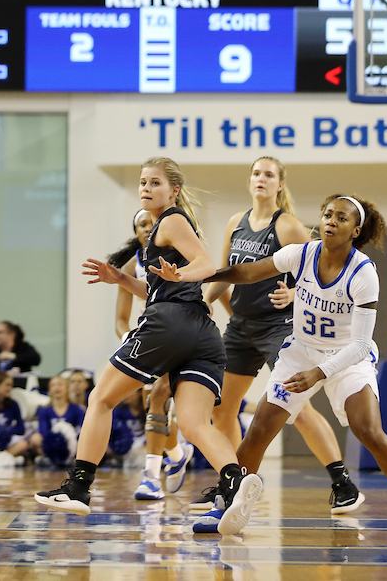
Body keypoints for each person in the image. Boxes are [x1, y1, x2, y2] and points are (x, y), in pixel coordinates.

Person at [192, 195, 387, 537]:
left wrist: (319, 373)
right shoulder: (302, 253)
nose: (330, 221)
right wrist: (203, 275)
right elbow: (248, 271)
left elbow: (360, 345)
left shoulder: (363, 273)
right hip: (302, 350)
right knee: (259, 431)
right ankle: (224, 503)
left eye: (340, 218)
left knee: (368, 430)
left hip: (347, 357)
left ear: (355, 230)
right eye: (327, 214)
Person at [36, 157, 263, 538]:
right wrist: (121, 278)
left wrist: (182, 274)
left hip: (169, 324)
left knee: (101, 399)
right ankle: (233, 482)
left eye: (154, 182)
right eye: (142, 182)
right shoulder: (162, 230)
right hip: (201, 333)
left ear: (173, 190)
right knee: (193, 423)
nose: (145, 188)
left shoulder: (172, 220)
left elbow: (205, 264)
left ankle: (77, 487)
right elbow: (161, 287)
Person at [193, 156, 360, 515]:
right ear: (249, 180)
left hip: (279, 328)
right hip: (241, 326)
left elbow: (323, 277)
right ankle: (234, 482)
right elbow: (228, 272)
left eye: (269, 174)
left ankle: (342, 482)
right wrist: (203, 302)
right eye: (256, 173)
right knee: (223, 409)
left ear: (280, 184)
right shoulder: (235, 222)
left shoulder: (286, 226)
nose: (261, 179)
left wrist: (296, 295)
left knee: (296, 409)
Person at [108, 209, 192, 502]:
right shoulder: (132, 265)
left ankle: (151, 477)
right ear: (137, 231)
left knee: (158, 398)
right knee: (153, 407)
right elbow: (120, 318)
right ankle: (178, 454)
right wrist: (127, 337)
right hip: (149, 336)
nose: (148, 228)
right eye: (142, 224)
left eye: (152, 223)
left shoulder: (178, 251)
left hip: (180, 333)